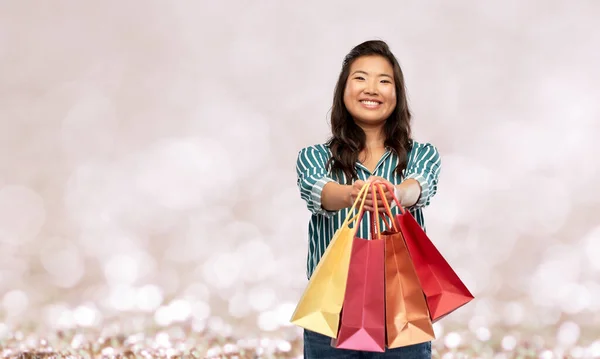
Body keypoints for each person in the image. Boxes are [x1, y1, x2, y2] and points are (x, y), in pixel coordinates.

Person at [295, 40, 442, 358]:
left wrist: (397, 193)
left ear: (397, 94)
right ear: (343, 91)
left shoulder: (421, 155)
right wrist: (351, 194)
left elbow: (421, 187)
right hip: (332, 312)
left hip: (401, 310)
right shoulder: (314, 157)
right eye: (360, 78)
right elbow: (318, 191)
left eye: (384, 81)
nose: (372, 88)